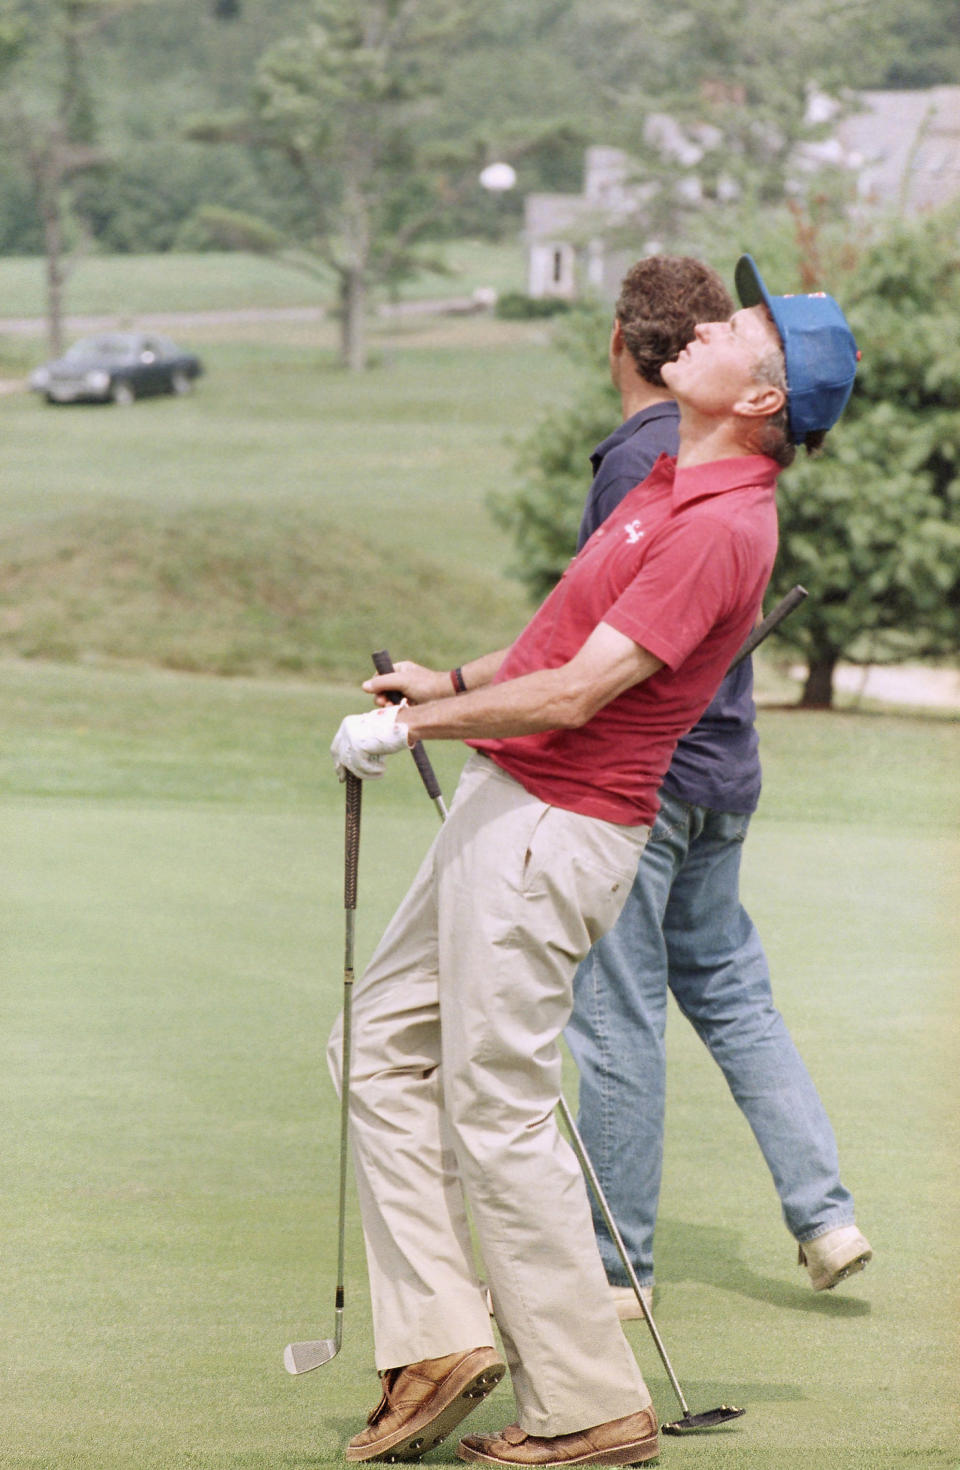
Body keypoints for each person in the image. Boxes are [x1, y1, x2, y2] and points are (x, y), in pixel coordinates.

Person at [327, 254, 858, 1470]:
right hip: (510, 796)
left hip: (554, 828)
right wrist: (450, 686)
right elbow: (558, 633)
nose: (711, 325)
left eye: (736, 326)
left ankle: (589, 1407)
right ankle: (443, 1342)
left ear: (763, 395)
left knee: (500, 1111)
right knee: (370, 1050)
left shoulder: (727, 526)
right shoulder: (668, 474)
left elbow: (577, 693)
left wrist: (403, 731)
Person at [564, 257, 872, 1318]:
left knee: (615, 1016)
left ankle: (617, 1270)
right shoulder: (699, 460)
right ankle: (824, 1215)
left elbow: (597, 657)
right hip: (726, 775)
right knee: (734, 997)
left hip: (653, 780)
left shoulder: (650, 466)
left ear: (618, 340)